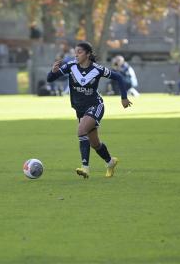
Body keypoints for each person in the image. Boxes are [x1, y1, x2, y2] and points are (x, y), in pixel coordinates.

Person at [47, 41, 132, 179]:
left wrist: (123, 98)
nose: (76, 55)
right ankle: (111, 162)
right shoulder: (70, 66)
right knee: (95, 143)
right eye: (75, 52)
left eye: (79, 52)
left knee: (81, 131)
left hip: (95, 106)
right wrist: (53, 71)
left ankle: (85, 168)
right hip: (80, 109)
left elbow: (119, 77)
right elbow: (50, 79)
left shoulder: (97, 69)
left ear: (87, 54)